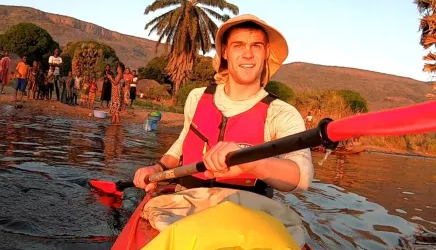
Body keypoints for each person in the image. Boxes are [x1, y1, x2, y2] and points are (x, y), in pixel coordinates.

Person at [133, 14, 312, 198]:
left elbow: (302, 177)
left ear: (266, 52)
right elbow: (182, 144)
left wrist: (252, 162)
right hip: (187, 202)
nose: (248, 54)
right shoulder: (197, 97)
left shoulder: (281, 113)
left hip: (246, 213)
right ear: (225, 52)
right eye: (238, 45)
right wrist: (157, 168)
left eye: (256, 46)